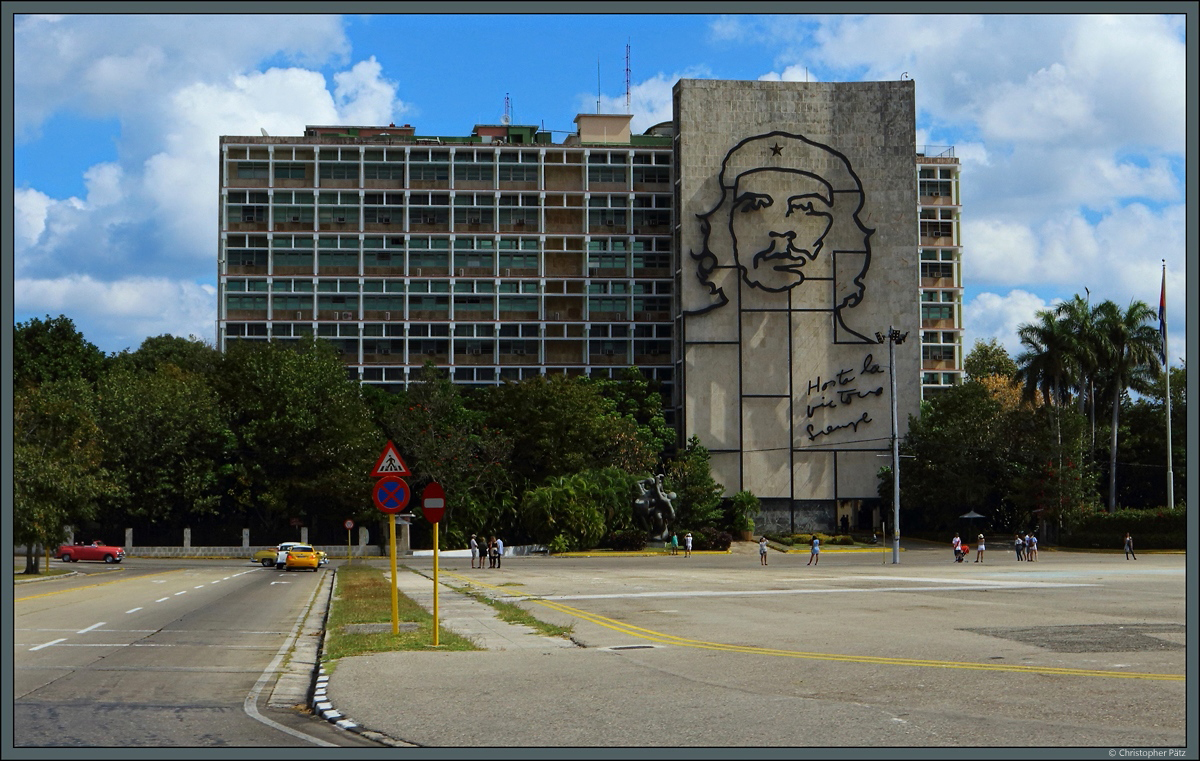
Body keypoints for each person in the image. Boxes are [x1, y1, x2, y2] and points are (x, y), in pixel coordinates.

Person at [685, 131, 876, 344]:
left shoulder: (870, 356)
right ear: (724, 226)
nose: (779, 230)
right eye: (754, 207)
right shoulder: (695, 339)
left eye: (805, 208)